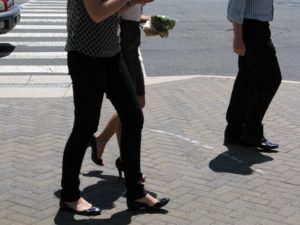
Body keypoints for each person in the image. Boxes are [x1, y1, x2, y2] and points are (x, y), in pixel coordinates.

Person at [60, 0, 169, 216]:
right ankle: (70, 195)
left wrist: (134, 3)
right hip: (85, 56)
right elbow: (97, 13)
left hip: (111, 53)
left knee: (133, 116)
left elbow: (113, 11)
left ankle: (136, 193)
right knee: (85, 126)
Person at [89, 3, 149, 178]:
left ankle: (100, 141)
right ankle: (126, 161)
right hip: (122, 37)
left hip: (130, 36)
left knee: (136, 103)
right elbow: (106, 12)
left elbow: (127, 10)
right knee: (129, 107)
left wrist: (144, 17)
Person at [224, 0, 282, 150]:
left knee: (247, 80)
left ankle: (234, 132)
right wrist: (237, 38)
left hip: (257, 28)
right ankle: (251, 131)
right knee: (271, 80)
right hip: (252, 30)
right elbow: (236, 6)